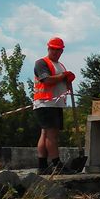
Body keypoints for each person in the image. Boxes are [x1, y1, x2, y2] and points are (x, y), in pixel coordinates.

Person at [33, 36, 74, 174]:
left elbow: (61, 83)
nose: (56, 52)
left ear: (62, 51)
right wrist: (63, 77)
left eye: (58, 50)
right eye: (53, 49)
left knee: (45, 134)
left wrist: (67, 82)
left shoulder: (61, 66)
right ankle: (57, 165)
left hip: (55, 104)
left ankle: (42, 166)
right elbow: (46, 80)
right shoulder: (41, 63)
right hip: (45, 103)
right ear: (48, 48)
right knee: (52, 135)